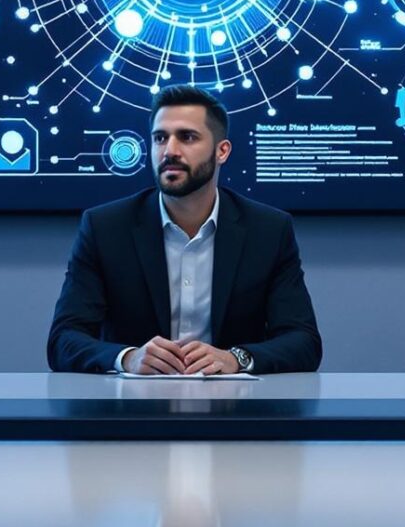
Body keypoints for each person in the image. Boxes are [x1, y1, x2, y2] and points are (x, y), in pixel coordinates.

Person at [48, 86, 323, 375]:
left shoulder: (268, 230)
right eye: (160, 138)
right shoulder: (105, 228)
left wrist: (235, 359)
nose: (170, 151)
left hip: (238, 407)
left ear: (222, 151)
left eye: (187, 137)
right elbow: (63, 340)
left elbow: (303, 341)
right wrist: (128, 358)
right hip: (130, 407)